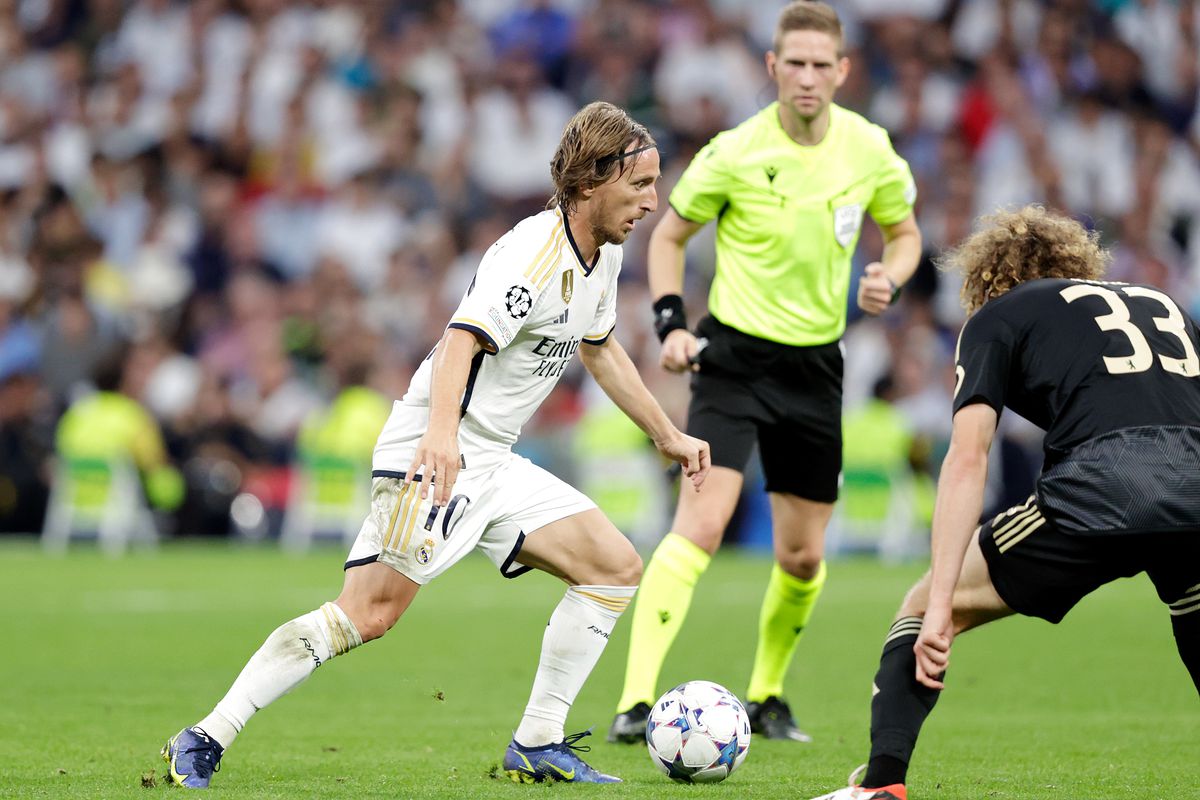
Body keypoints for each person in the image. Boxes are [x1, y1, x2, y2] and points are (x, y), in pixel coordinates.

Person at [160, 101, 711, 788]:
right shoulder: (530, 254)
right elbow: (460, 342)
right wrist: (443, 441)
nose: (653, 201)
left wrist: (668, 434)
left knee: (613, 568)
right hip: (435, 449)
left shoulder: (600, 260)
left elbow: (600, 351)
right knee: (366, 614)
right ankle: (206, 734)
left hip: (493, 458)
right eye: (639, 185)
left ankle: (536, 743)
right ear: (592, 180)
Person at [808, 206, 1200, 800]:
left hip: (1102, 489)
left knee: (922, 605)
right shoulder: (1160, 302)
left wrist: (943, 602)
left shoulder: (1000, 315)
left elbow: (968, 456)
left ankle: (881, 786)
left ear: (989, 278)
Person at [610, 0, 922, 743]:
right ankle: (635, 701)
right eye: (796, 64)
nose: (808, 78)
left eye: (822, 65)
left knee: (802, 553)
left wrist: (892, 277)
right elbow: (668, 237)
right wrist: (670, 324)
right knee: (703, 524)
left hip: (816, 366)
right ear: (772, 68)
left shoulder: (870, 149)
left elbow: (905, 233)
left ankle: (768, 695)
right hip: (735, 360)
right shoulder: (734, 151)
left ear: (842, 71)